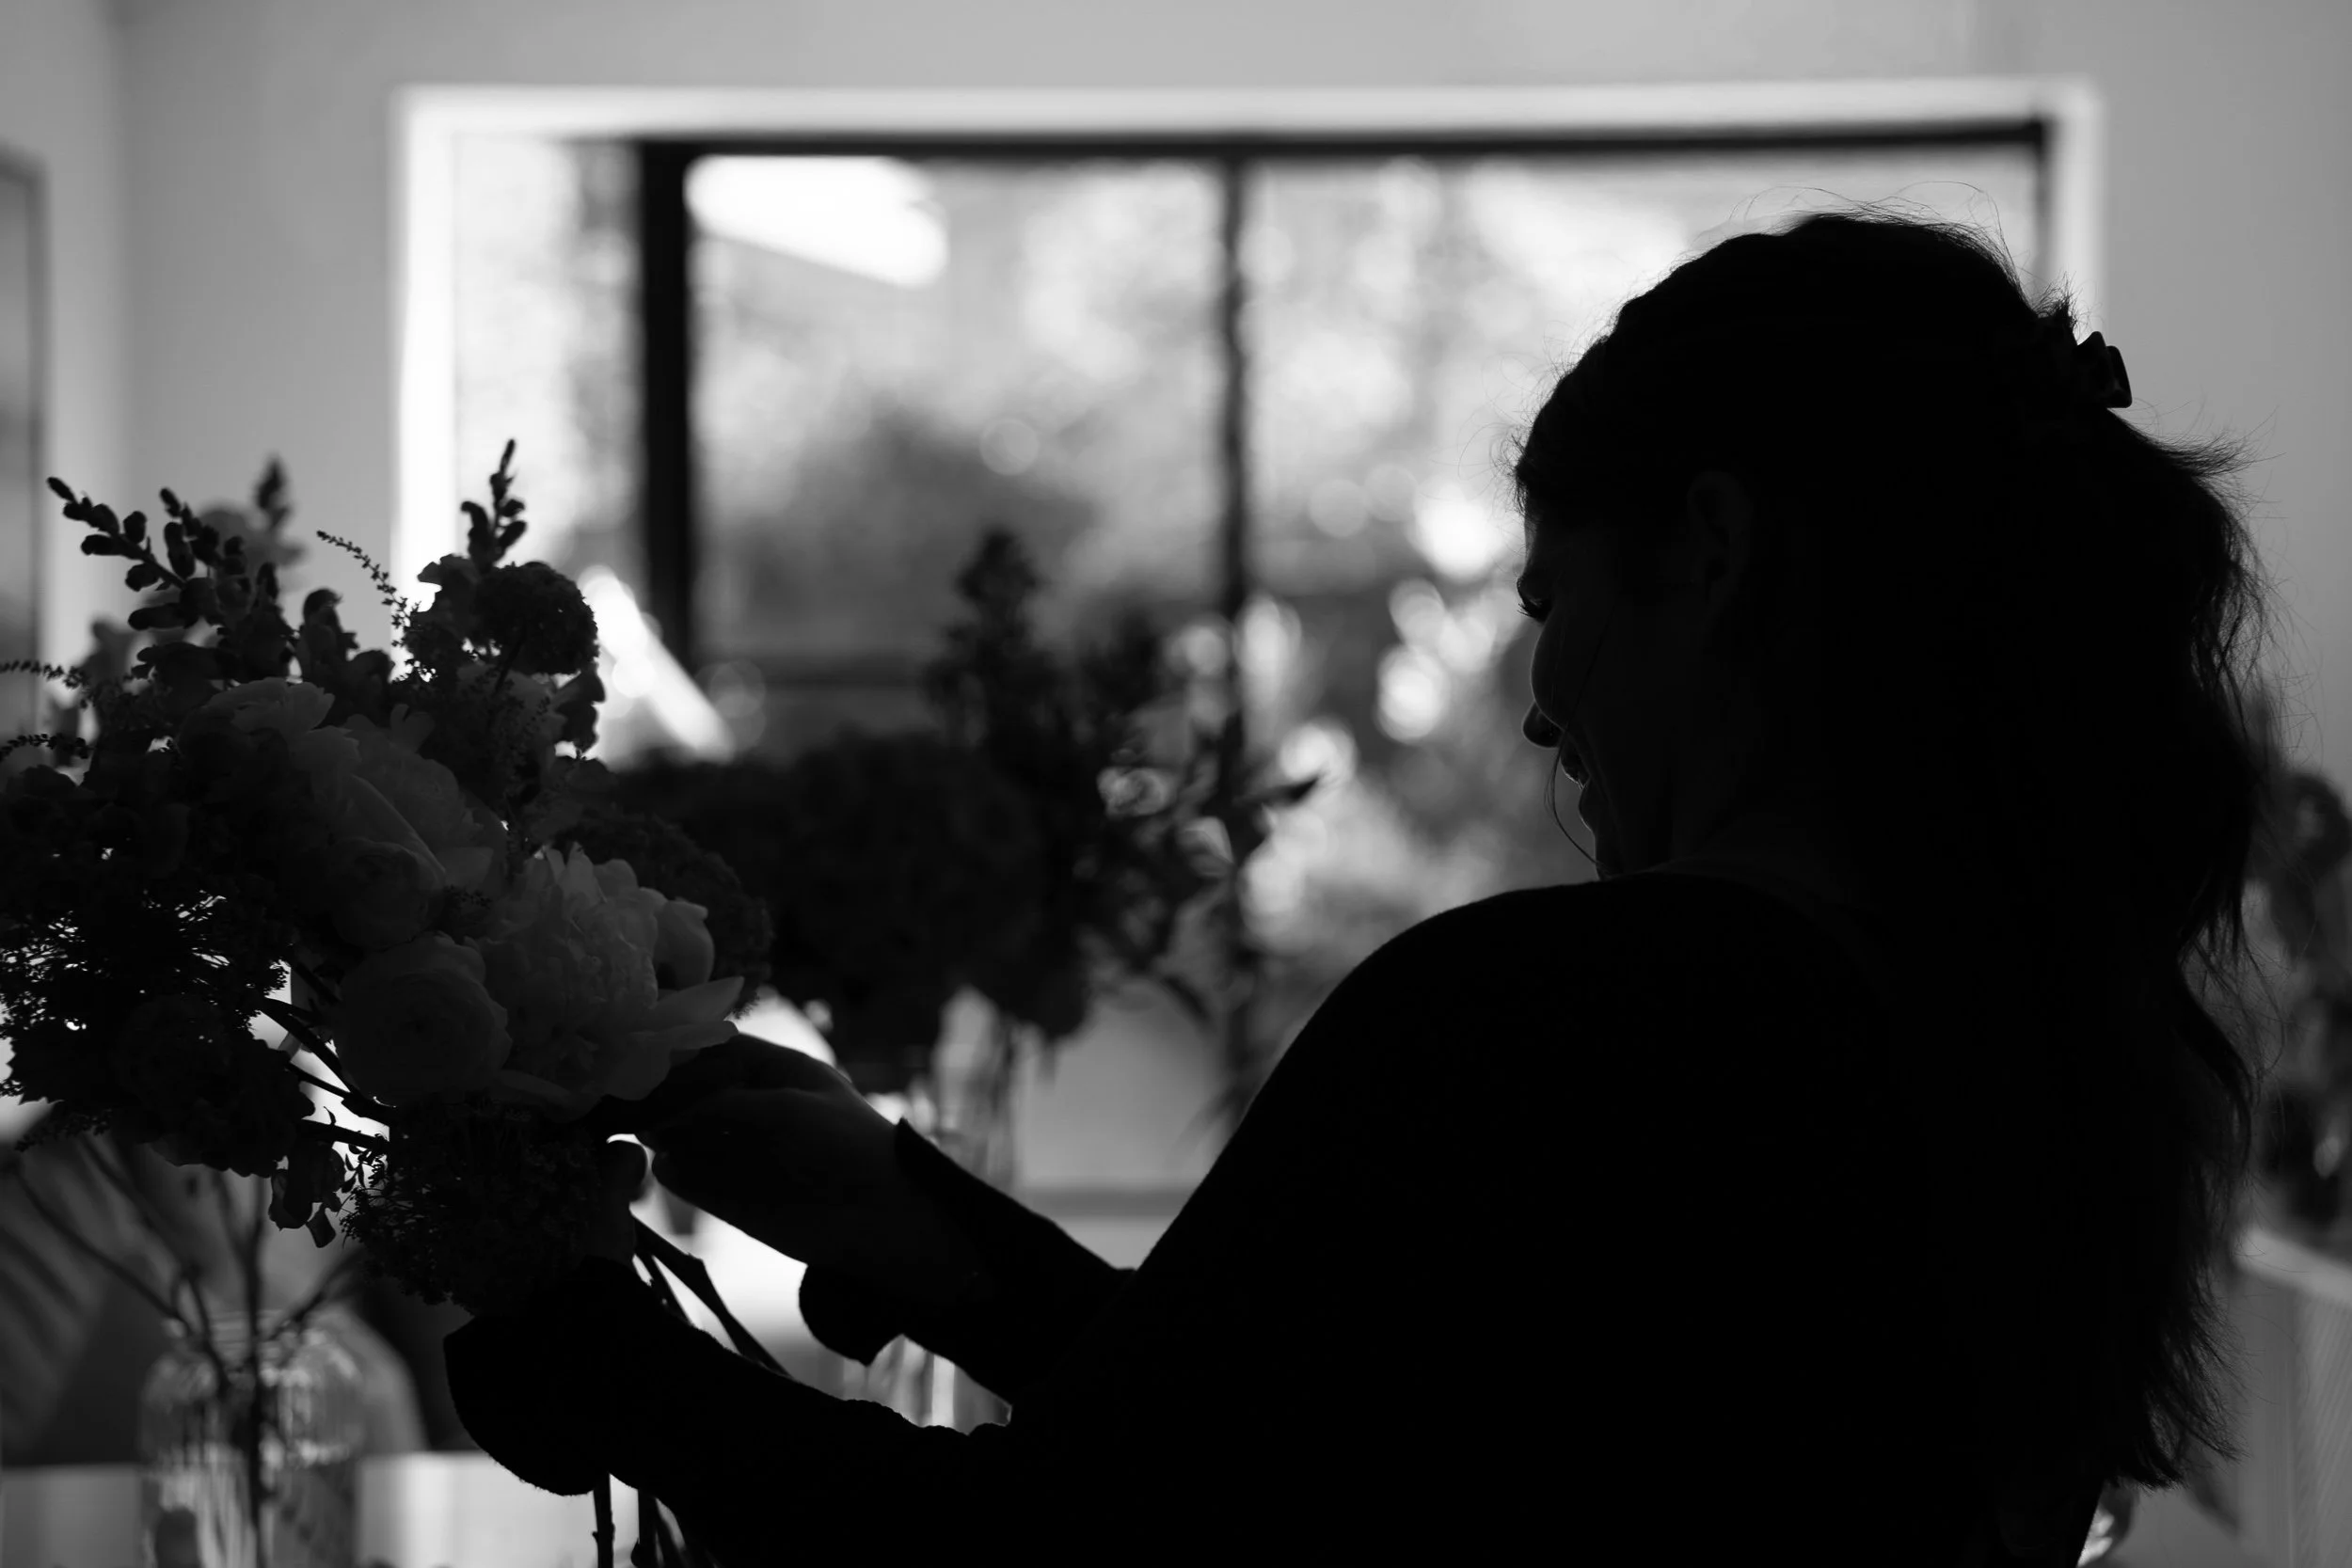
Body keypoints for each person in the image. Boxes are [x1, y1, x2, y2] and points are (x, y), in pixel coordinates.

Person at [444, 207, 2283, 1563]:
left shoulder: (1582, 1006)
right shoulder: (1995, 1022)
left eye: (1550, 606)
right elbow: (1300, 1461)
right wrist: (905, 1218)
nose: (1539, 702)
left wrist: (628, 1373)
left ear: (1709, 553)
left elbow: (1091, 1555)